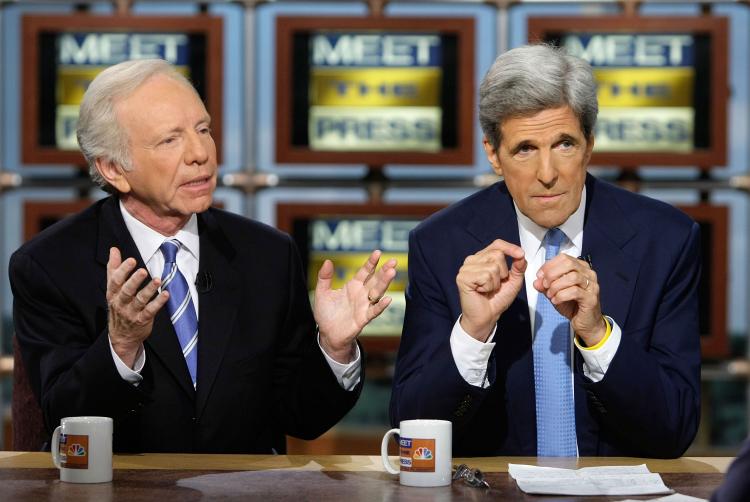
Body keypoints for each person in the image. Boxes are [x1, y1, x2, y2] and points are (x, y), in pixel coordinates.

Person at [10, 59, 397, 454]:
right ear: (114, 169)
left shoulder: (267, 255)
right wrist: (122, 345)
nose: (200, 153)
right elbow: (64, 419)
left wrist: (334, 349)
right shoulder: (50, 265)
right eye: (169, 140)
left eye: (203, 129)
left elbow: (303, 417)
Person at [389, 44, 701, 457]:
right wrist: (472, 333)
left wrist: (598, 335)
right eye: (525, 149)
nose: (548, 174)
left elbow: (675, 431)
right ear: (493, 154)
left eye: (564, 144)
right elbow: (411, 433)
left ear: (590, 144)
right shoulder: (439, 245)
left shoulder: (667, 240)